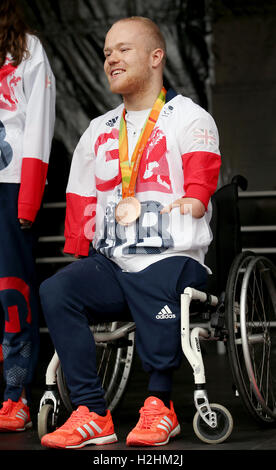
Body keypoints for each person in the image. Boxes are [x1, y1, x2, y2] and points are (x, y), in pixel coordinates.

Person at [40, 16, 221, 449]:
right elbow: (80, 194)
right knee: (56, 290)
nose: (111, 59)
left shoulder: (189, 117)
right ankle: (91, 413)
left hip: (173, 258)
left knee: (152, 276)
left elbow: (203, 173)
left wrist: (195, 196)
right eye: (106, 53)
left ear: (156, 57)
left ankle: (161, 405)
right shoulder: (98, 129)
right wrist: (79, 247)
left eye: (123, 49)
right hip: (115, 261)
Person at [0, 0, 55, 431]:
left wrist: (30, 195)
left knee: (11, 289)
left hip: (11, 181)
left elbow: (38, 120)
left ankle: (14, 393)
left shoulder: (26, 49)